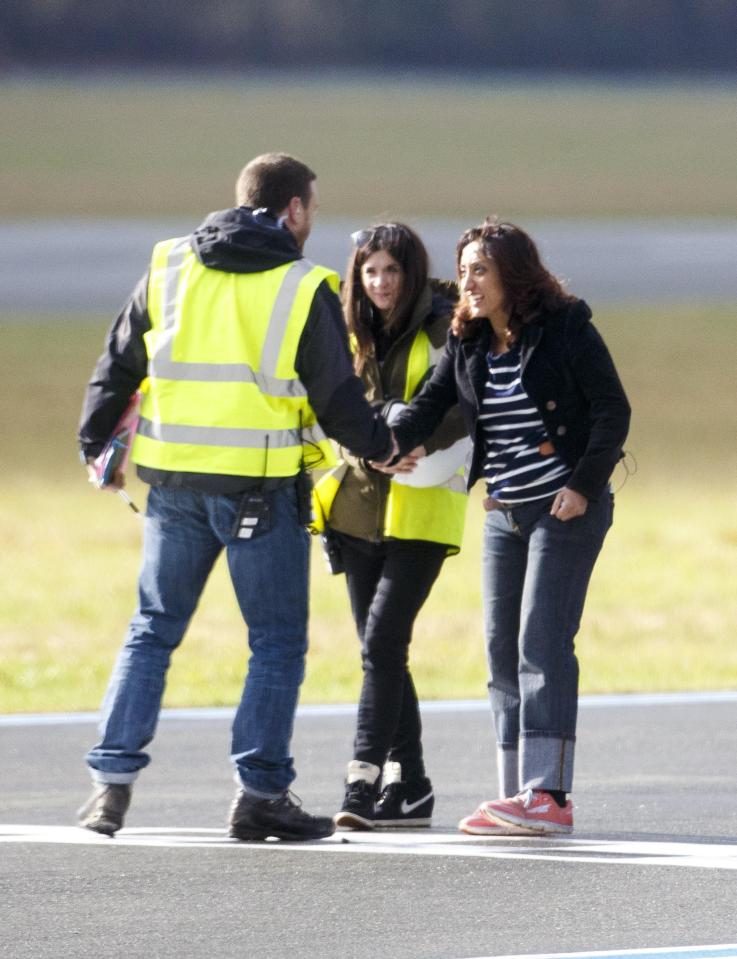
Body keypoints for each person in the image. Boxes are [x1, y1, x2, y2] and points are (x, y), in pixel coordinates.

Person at [76, 153, 395, 841]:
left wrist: (93, 439)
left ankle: (110, 787)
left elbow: (118, 360)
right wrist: (381, 444)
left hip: (174, 490)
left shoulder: (168, 265)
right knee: (275, 644)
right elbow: (336, 395)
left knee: (152, 630)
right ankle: (259, 796)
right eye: (311, 206)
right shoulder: (300, 282)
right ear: (294, 210)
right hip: (259, 492)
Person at [383, 219, 630, 836]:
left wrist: (582, 486)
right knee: (500, 649)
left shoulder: (565, 327)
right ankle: (515, 788)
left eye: (480, 270)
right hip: (507, 512)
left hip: (563, 509)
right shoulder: (467, 341)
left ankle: (549, 795)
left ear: (511, 275)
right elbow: (429, 407)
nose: (467, 281)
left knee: (541, 644)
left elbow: (612, 410)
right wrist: (378, 441)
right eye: (463, 269)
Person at [311, 223, 470, 829]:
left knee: (381, 645)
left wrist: (415, 440)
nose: (381, 282)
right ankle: (414, 785)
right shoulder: (341, 330)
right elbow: (327, 406)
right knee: (383, 652)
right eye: (370, 270)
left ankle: (361, 782)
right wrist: (373, 441)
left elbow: (462, 403)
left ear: (411, 274)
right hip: (353, 509)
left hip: (423, 511)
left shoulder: (447, 327)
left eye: (392, 270)